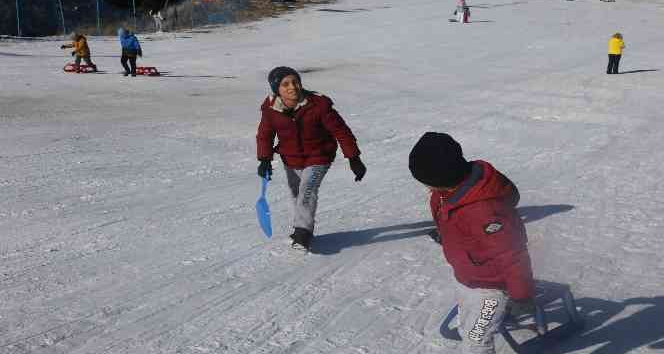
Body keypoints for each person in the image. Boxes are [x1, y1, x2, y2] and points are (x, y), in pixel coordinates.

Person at [408, 132, 536, 354]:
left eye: (427, 182)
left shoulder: (484, 212)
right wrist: (446, 236)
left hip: (493, 289)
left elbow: (512, 255)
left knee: (476, 340)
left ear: (442, 178)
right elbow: (459, 226)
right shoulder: (446, 194)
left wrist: (522, 295)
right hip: (468, 277)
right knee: (467, 320)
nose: (427, 188)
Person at [256, 66, 367, 250]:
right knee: (296, 194)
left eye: (295, 82)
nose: (292, 87)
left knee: (307, 190)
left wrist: (354, 158)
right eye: (285, 84)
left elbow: (341, 131)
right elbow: (264, 135)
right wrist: (264, 160)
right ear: (277, 90)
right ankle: (302, 225)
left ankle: (303, 232)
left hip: (319, 156)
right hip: (291, 158)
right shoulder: (271, 109)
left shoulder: (318, 105)